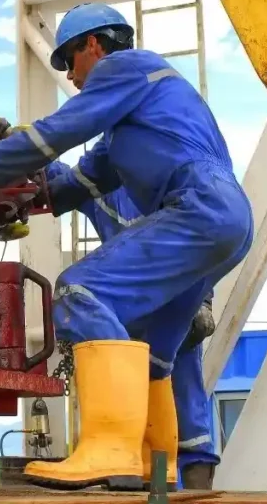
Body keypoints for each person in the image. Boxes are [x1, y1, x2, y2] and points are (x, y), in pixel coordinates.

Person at [0, 3, 253, 490]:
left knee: (78, 291)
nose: (72, 77)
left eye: (70, 62)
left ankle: (110, 450)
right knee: (156, 348)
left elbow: (62, 129)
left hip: (198, 206)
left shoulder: (126, 66)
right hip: (226, 219)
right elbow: (69, 187)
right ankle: (151, 464)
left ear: (94, 44)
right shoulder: (129, 128)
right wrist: (7, 145)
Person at [42, 160, 220, 490]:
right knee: (147, 386)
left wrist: (204, 302)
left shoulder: (175, 189)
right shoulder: (109, 192)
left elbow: (204, 244)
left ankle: (180, 485)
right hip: (129, 317)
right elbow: (61, 176)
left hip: (171, 310)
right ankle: (146, 475)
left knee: (184, 399)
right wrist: (11, 139)